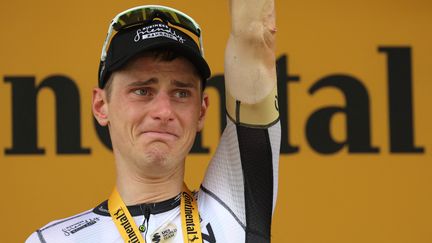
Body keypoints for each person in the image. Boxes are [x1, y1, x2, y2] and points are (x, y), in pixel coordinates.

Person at [26, 0, 280, 242]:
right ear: (101, 105)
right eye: (142, 90)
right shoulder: (52, 240)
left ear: (201, 112)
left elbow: (254, 38)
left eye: (181, 93)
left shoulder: (235, 206)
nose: (163, 110)